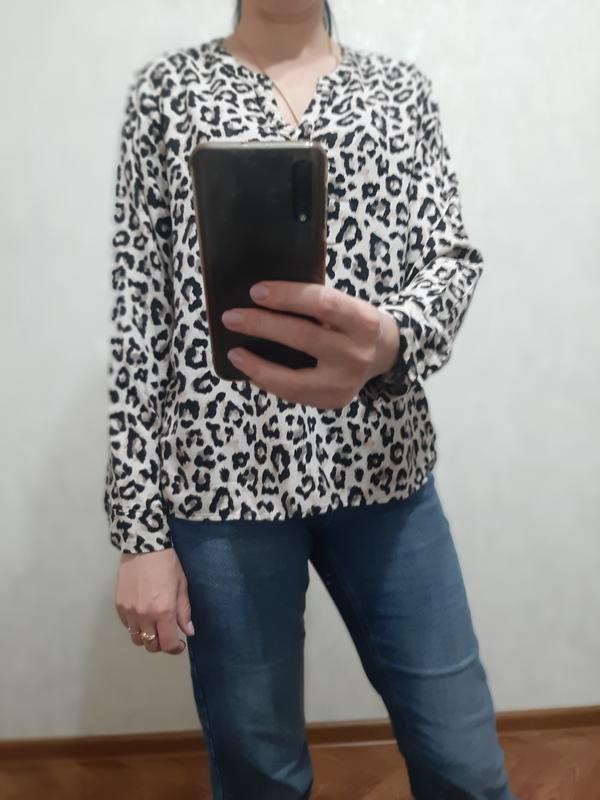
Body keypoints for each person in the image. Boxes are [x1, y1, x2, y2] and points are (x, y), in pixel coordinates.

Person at [104, 1, 517, 797]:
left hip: (383, 470)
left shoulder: (398, 90)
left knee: (463, 763)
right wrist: (138, 532)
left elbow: (450, 258)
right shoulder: (168, 91)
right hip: (221, 485)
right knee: (260, 772)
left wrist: (391, 339)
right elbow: (140, 315)